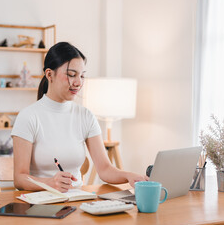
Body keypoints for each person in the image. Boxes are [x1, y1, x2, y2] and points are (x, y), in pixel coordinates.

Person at [11, 42, 148, 192]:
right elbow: (20, 178)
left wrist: (129, 176)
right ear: (49, 74)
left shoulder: (85, 116)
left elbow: (105, 169)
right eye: (71, 75)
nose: (78, 82)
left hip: (77, 203)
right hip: (40, 203)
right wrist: (50, 183)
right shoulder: (28, 117)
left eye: (82, 76)